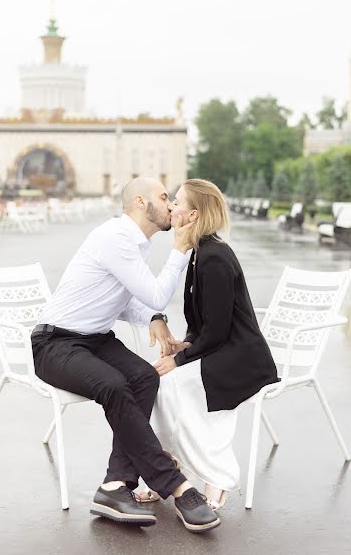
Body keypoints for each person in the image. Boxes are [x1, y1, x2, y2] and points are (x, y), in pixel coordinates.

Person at [31, 177, 220, 532]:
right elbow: (155, 293)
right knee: (115, 385)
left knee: (144, 377)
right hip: (54, 345)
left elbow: (131, 297)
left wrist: (155, 318)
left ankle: (115, 486)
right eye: (164, 198)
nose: (170, 205)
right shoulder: (115, 237)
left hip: (95, 340)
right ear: (140, 202)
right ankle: (177, 487)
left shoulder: (135, 243)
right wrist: (179, 250)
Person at [138, 179, 278, 510]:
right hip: (222, 349)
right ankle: (167, 469)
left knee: (171, 383)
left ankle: (216, 475)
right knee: (159, 383)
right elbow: (200, 325)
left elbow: (216, 331)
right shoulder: (200, 252)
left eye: (177, 202)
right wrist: (182, 346)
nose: (170, 206)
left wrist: (180, 361)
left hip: (240, 358)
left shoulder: (214, 258)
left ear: (194, 213)